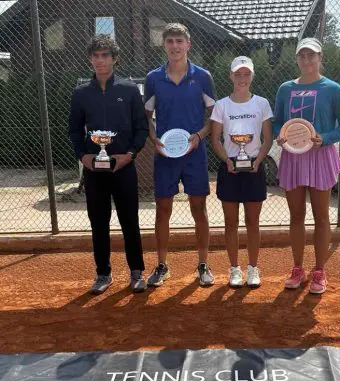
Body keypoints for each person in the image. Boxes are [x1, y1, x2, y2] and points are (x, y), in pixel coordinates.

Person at [68, 35, 149, 295]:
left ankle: (136, 271)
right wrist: (83, 156)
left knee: (130, 221)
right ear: (90, 59)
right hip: (95, 170)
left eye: (105, 55)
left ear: (115, 58)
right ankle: (103, 273)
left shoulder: (129, 90)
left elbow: (141, 128)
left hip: (124, 167)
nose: (100, 60)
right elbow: (73, 130)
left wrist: (130, 154)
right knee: (98, 222)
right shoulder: (81, 93)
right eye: (96, 56)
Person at [273, 37, 340, 294]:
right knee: (296, 216)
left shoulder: (333, 89)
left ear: (320, 58)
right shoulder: (285, 89)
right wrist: (279, 136)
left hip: (320, 156)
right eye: (302, 55)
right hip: (293, 157)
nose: (307, 60)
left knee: (321, 216)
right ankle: (297, 268)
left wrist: (325, 138)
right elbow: (277, 122)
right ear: (297, 59)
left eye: (311, 55)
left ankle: (319, 270)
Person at [143, 23, 216, 288]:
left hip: (195, 154)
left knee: (199, 208)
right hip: (165, 154)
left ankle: (203, 264)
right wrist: (154, 138)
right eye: (170, 41)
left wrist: (199, 136)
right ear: (164, 45)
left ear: (188, 44)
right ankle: (162, 265)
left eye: (179, 41)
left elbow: (214, 116)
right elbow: (146, 116)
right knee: (163, 209)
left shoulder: (203, 77)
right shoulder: (153, 78)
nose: (175, 46)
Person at [209, 56, 273, 288]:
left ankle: (253, 268)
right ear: (231, 76)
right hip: (230, 168)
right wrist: (227, 160)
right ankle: (235, 269)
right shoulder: (221, 105)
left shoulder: (262, 104)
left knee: (253, 222)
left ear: (252, 76)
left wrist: (259, 160)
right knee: (231, 222)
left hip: (254, 166)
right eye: (238, 74)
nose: (242, 78)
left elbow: (268, 138)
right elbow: (215, 139)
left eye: (246, 74)